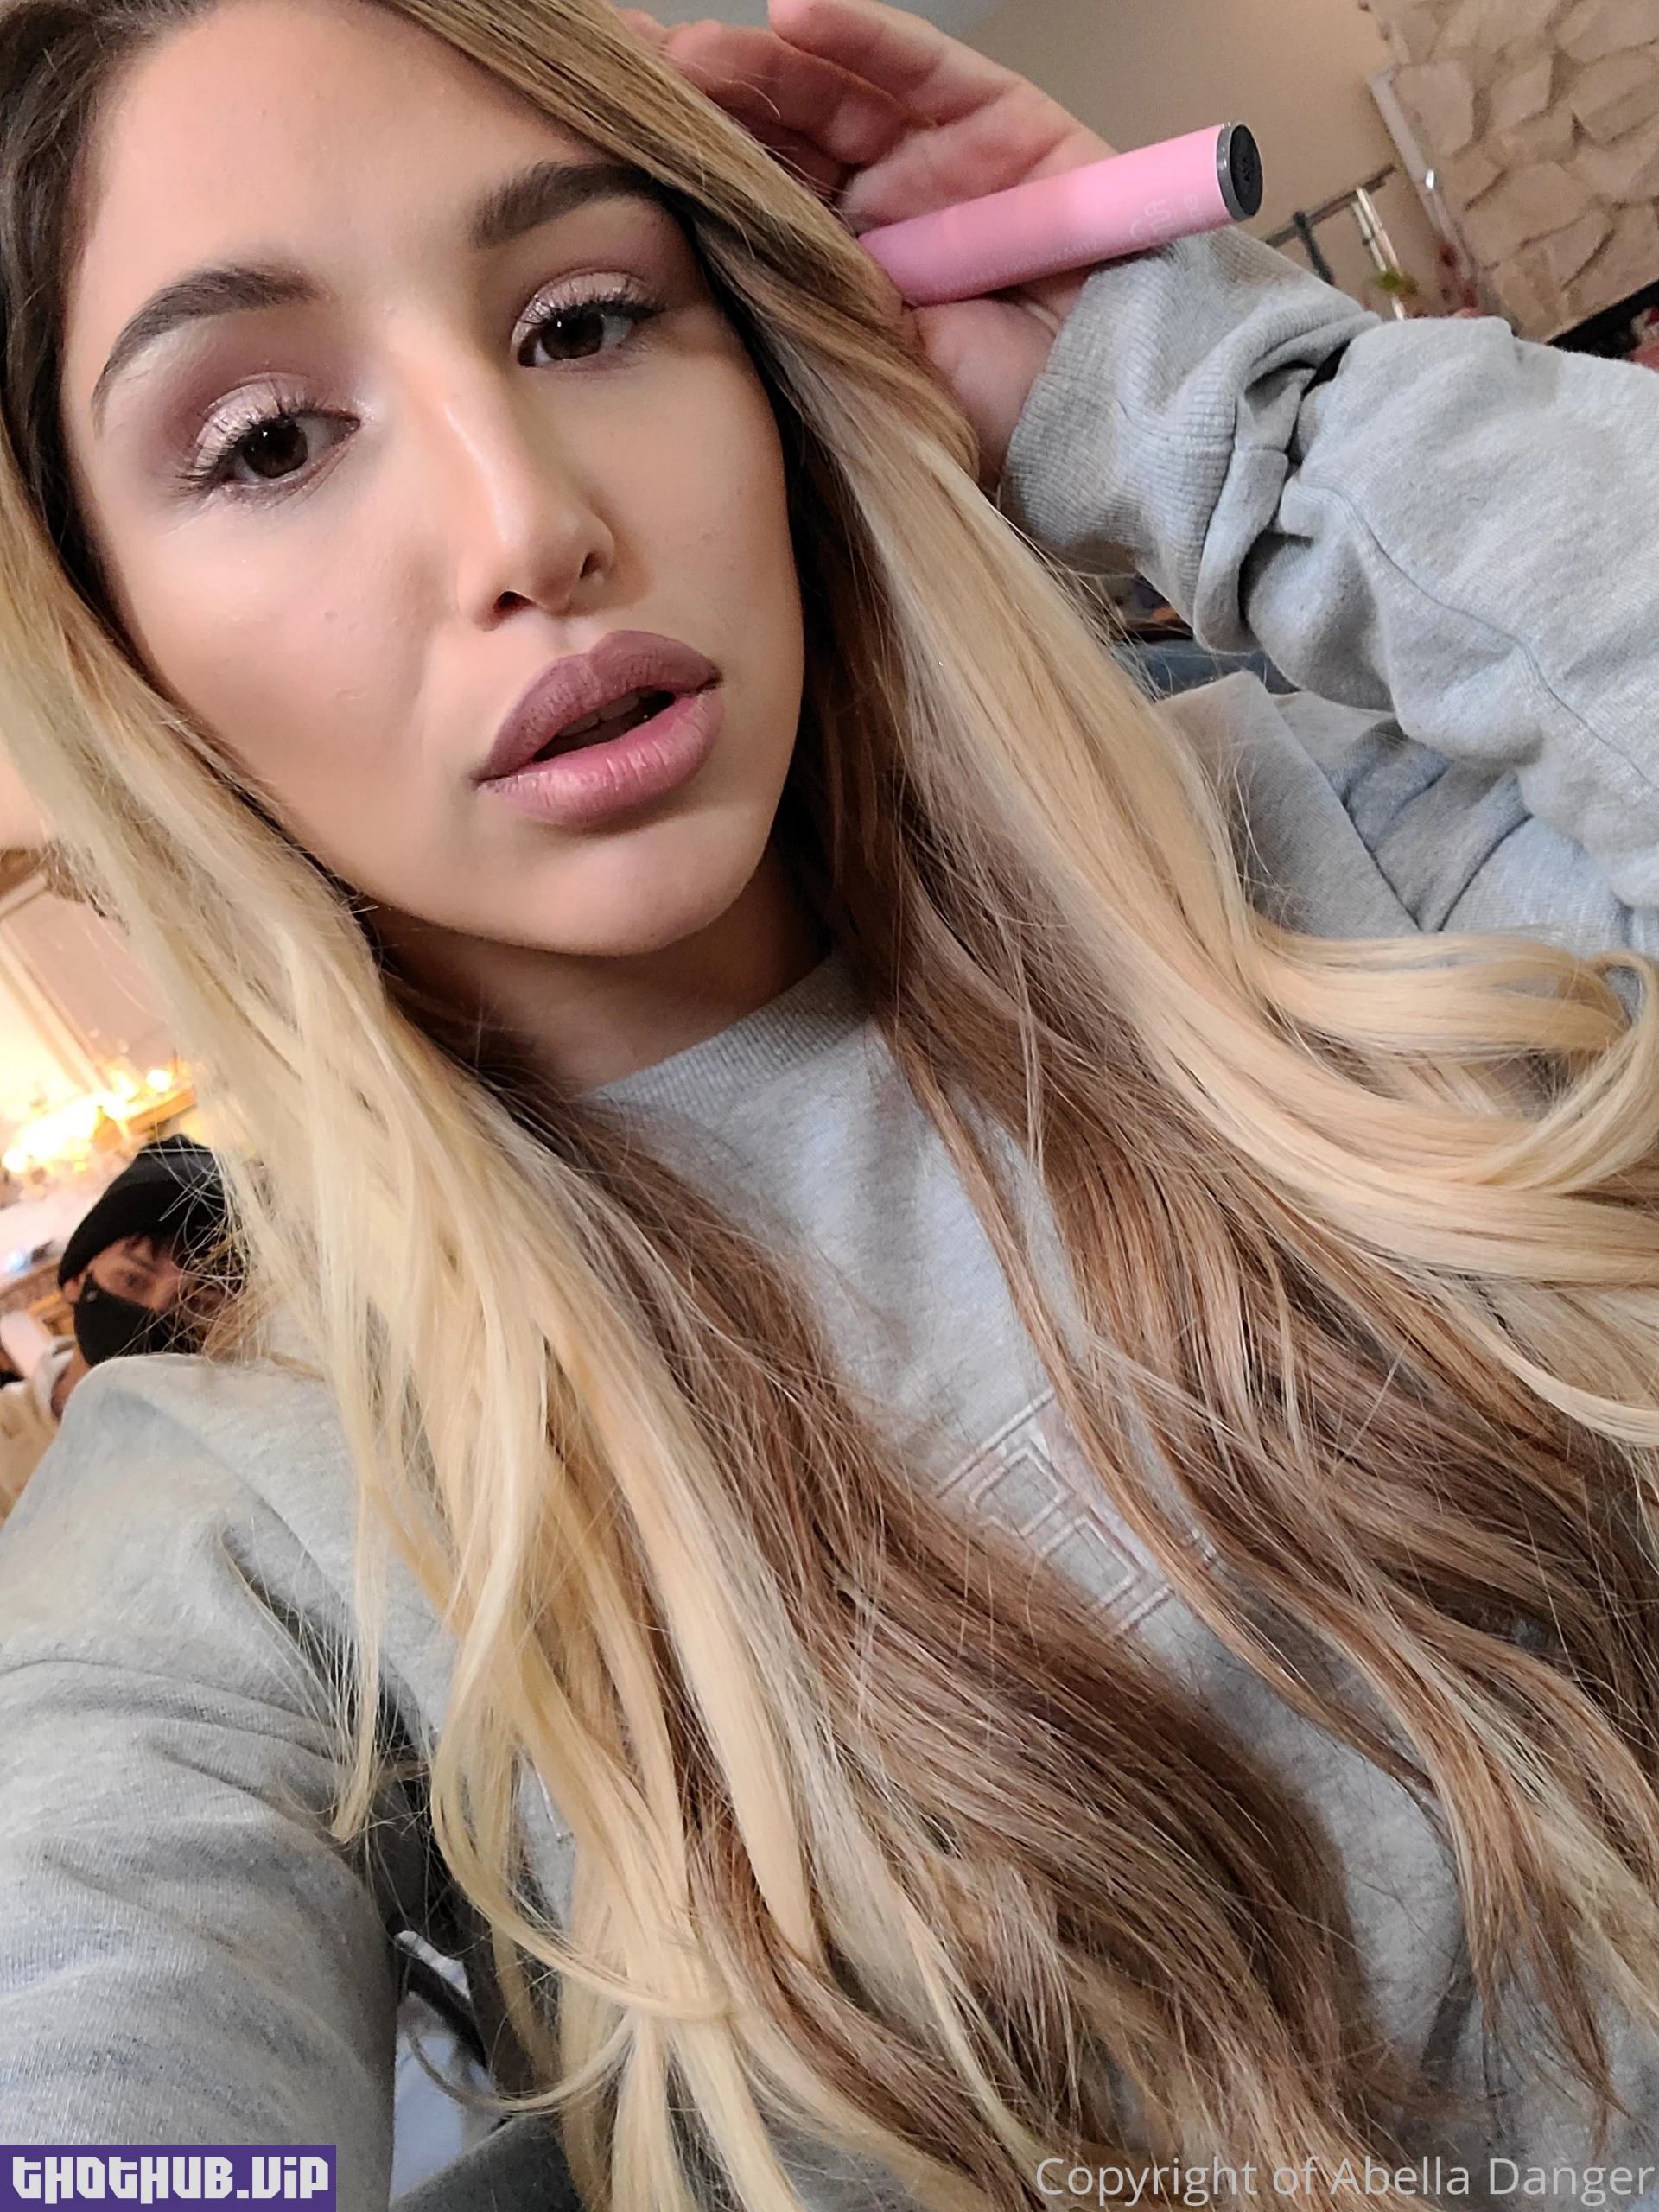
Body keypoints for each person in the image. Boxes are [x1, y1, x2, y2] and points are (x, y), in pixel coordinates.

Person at [0, 0, 1658, 2204]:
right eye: (273, 440)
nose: (529, 519)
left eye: (586, 319)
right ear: (119, 656)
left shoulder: (1322, 868)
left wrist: (1196, 390)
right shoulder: (256, 1529)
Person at [0, 1135, 229, 1515]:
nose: (154, 1311)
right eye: (132, 1279)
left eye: (194, 1303)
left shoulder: (215, 1446)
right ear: (76, 1280)